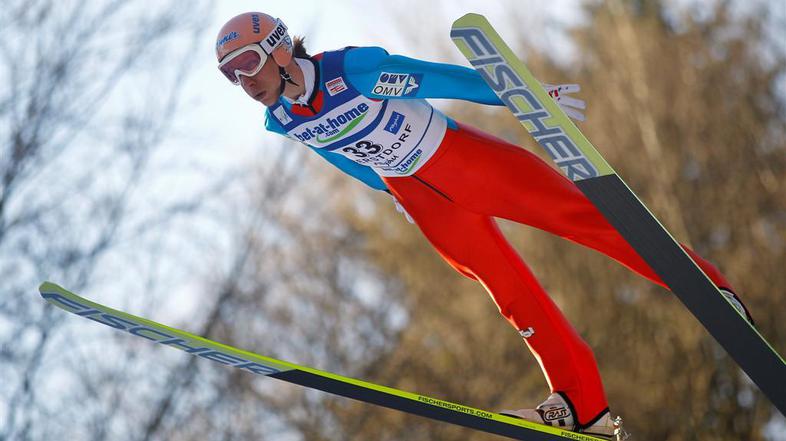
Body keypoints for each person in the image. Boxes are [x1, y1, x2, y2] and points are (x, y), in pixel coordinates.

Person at [215, 12, 754, 439]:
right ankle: (580, 404)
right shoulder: (280, 119)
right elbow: (337, 154)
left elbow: (442, 79)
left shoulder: (353, 71)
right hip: (425, 202)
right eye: (230, 75)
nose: (243, 81)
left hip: (463, 161)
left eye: (247, 64)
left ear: (280, 49)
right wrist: (386, 189)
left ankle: (707, 287)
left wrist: (523, 96)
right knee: (509, 293)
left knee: (579, 218)